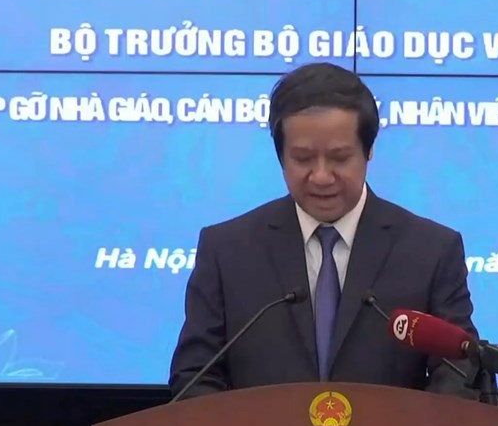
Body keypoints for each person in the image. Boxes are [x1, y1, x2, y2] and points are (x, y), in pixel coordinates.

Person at [168, 62, 480, 401]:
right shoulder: (227, 250)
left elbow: (458, 371)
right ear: (280, 156)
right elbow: (195, 376)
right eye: (303, 159)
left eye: (339, 158)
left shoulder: (431, 251)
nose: (321, 177)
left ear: (369, 150)